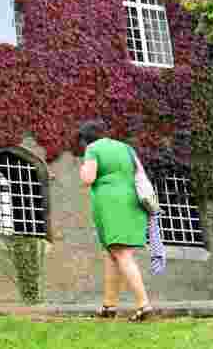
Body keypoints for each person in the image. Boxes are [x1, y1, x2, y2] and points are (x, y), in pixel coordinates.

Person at [78, 119, 154, 321]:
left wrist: (83, 168)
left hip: (112, 204)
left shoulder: (93, 148)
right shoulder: (126, 147)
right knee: (113, 254)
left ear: (85, 139)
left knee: (121, 253)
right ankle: (109, 306)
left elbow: (88, 179)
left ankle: (144, 305)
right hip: (132, 202)